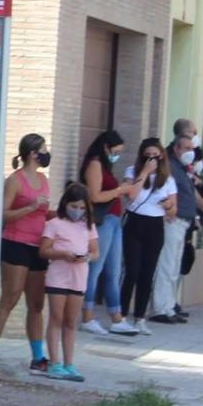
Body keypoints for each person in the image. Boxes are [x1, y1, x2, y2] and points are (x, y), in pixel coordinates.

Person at [0, 133, 55, 372]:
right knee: (10, 295)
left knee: (37, 303)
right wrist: (30, 207)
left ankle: (38, 355)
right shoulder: (16, 180)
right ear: (32, 153)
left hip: (37, 244)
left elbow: (42, 212)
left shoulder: (43, 179)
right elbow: (3, 213)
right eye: (43, 148)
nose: (45, 152)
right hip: (15, 242)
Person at [152, 132, 203, 324]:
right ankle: (159, 308)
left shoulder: (183, 169)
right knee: (166, 264)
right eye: (186, 149)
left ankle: (169, 306)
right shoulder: (170, 167)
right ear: (176, 148)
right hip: (172, 221)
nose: (190, 152)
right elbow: (163, 192)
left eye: (192, 149)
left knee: (174, 267)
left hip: (184, 222)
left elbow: (193, 195)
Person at [39, 183, 98, 381]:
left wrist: (86, 257)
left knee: (71, 321)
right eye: (74, 207)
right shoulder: (54, 223)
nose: (77, 211)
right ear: (66, 204)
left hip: (78, 277)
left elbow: (95, 251)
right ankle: (54, 363)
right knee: (56, 317)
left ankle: (69, 363)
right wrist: (63, 254)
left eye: (81, 208)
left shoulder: (88, 226)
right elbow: (44, 250)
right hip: (58, 275)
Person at [112, 139, 170, 336]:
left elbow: (174, 207)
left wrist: (169, 204)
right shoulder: (132, 172)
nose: (151, 158)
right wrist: (144, 173)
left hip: (155, 225)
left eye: (155, 155)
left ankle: (140, 317)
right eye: (147, 155)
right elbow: (132, 196)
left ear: (161, 156)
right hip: (135, 222)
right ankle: (121, 315)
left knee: (147, 273)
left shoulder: (167, 179)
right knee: (132, 270)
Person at [78, 129, 131, 337]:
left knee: (113, 270)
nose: (116, 155)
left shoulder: (105, 165)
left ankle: (116, 317)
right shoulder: (95, 163)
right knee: (95, 268)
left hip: (115, 220)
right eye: (115, 151)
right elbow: (95, 195)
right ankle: (87, 316)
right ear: (105, 147)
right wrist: (120, 190)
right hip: (104, 220)